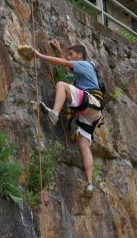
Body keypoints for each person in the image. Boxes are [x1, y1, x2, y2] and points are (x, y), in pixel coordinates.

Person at [31, 40, 104, 197]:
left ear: (80, 55)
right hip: (93, 113)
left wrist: (40, 55)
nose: (69, 56)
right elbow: (66, 64)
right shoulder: (84, 72)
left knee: (62, 85)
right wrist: (58, 49)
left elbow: (64, 63)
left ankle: (54, 114)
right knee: (83, 146)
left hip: (89, 101)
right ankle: (90, 184)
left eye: (71, 54)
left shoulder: (85, 64)